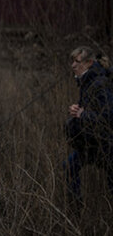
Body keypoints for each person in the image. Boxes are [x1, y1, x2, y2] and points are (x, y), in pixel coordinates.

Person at [63, 46, 113, 208]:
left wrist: (83, 115)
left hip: (105, 144)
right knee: (69, 167)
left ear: (89, 63)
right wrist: (77, 109)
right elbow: (91, 108)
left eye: (77, 62)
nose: (73, 65)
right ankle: (75, 209)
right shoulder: (86, 82)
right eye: (73, 61)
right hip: (91, 143)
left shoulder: (100, 83)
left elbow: (107, 117)